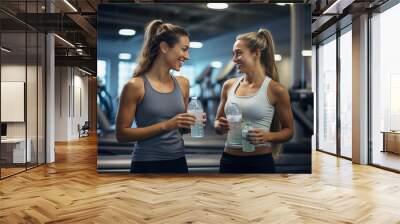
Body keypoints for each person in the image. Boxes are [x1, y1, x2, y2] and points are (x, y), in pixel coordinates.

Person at [116, 19, 203, 173]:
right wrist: (167, 125)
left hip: (179, 162)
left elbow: (181, 130)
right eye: (184, 49)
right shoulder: (135, 85)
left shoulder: (183, 84)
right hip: (146, 163)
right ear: (164, 47)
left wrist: (190, 123)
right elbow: (122, 134)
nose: (187, 56)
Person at [214, 28, 294, 173]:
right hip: (228, 160)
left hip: (260, 163)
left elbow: (289, 131)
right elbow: (217, 123)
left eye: (238, 53)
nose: (234, 59)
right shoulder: (228, 85)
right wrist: (219, 126)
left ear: (256, 53)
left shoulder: (276, 90)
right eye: (233, 54)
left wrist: (267, 136)